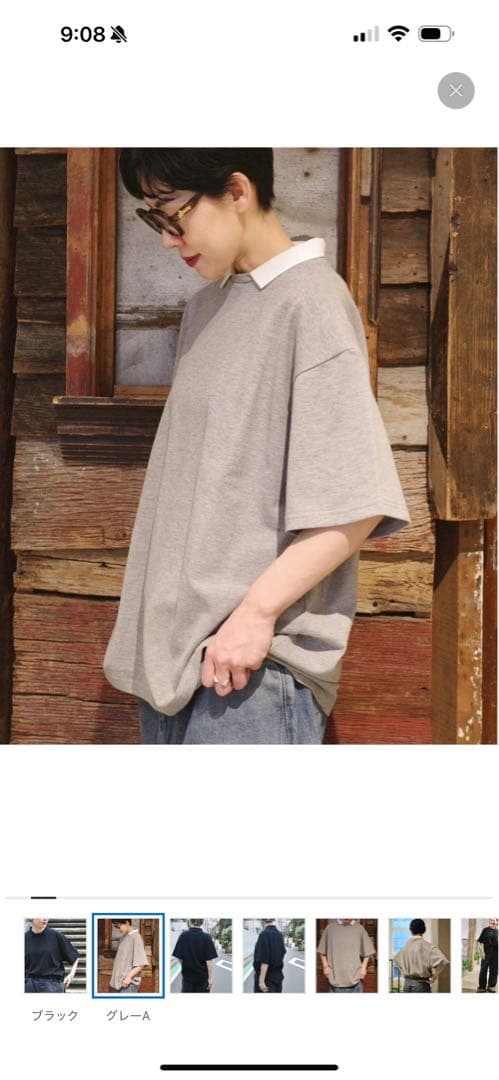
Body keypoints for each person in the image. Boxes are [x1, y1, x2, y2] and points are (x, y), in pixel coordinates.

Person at [103, 149, 411, 745]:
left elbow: (356, 505)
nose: (166, 240)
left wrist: (254, 616)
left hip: (250, 674)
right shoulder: (207, 308)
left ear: (238, 191)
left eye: (173, 215)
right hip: (174, 671)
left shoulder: (311, 302)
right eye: (152, 218)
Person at [318, 919, 375, 992]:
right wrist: (325, 967)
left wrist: (363, 968)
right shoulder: (330, 928)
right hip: (334, 979)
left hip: (355, 979)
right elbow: (322, 951)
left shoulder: (359, 928)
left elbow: (368, 951)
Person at [25, 918, 80, 993]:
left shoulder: (56, 935)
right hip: (30, 986)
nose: (45, 918)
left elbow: (74, 956)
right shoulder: (25, 938)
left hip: (53, 986)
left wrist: (70, 976)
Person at [393, 919, 448, 993]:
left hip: (407, 984)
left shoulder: (405, 946)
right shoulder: (427, 946)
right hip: (421, 985)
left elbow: (396, 959)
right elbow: (443, 961)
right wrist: (434, 977)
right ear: (423, 930)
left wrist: (403, 972)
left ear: (410, 930)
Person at [172, 919, 218, 993]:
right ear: (202, 922)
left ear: (190, 921)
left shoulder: (183, 936)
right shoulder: (207, 937)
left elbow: (179, 956)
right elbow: (209, 960)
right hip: (202, 978)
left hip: (187, 978)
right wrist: (210, 978)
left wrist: (184, 964)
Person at [109, 919, 148, 993]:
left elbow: (141, 964)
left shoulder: (136, 938)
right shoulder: (123, 938)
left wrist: (128, 977)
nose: (119, 929)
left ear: (127, 923)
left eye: (119, 926)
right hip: (117, 984)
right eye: (116, 927)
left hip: (127, 986)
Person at [253, 919, 287, 993]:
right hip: (278, 978)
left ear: (262, 921)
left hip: (267, 980)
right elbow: (282, 953)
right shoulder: (280, 935)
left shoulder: (264, 934)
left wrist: (261, 981)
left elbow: (264, 960)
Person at [477, 918, 498, 993]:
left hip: (496, 953)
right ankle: (482, 987)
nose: (493, 921)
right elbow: (481, 942)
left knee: (494, 970)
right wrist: (482, 952)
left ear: (497, 922)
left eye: (494, 920)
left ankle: (491, 986)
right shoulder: (485, 930)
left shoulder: (497, 931)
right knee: (483, 969)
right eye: (491, 920)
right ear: (489, 921)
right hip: (486, 952)